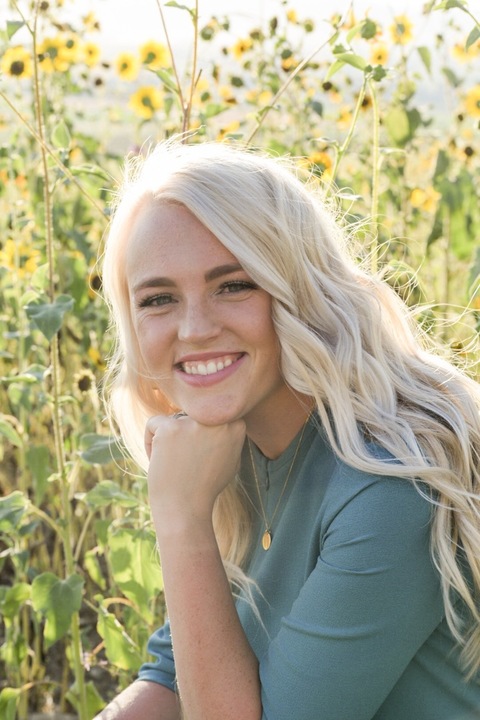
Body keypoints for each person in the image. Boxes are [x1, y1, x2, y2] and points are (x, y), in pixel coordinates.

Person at [95, 139, 480, 720]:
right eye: (158, 298)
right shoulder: (231, 445)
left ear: (300, 287)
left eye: (234, 284)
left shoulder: (394, 483)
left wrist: (181, 520)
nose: (194, 329)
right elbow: (173, 680)